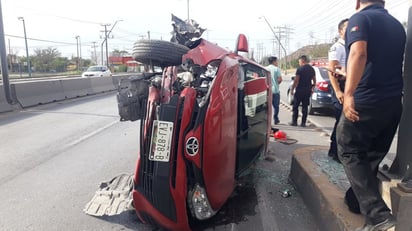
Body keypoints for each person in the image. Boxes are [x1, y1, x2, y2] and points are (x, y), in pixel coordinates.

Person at [337, 0, 406, 230]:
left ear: (358, 1)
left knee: (349, 149)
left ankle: (379, 216)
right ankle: (357, 204)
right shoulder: (397, 25)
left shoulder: (360, 18)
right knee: (371, 157)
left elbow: (359, 53)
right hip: (393, 104)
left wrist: (348, 94)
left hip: (365, 103)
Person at [327, 18, 348, 162]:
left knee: (345, 122)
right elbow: (331, 70)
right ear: (340, 31)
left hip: (349, 86)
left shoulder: (350, 46)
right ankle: (335, 152)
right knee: (341, 121)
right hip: (340, 87)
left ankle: (336, 151)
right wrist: (338, 91)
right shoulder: (338, 47)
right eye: (347, 27)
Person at [289, 55, 316, 127]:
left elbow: (296, 80)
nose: (299, 63)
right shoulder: (311, 69)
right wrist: (312, 87)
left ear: (302, 61)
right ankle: (303, 122)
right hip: (307, 90)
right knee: (305, 107)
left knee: (295, 106)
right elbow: (314, 80)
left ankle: (294, 121)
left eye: (299, 62)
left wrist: (292, 89)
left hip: (299, 90)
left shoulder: (300, 69)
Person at [267, 56, 283, 125]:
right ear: (273, 61)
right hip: (275, 91)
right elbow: (280, 79)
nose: (277, 63)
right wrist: (276, 83)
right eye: (276, 61)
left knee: (268, 107)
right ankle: (275, 119)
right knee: (276, 106)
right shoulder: (277, 69)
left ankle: (267, 120)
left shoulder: (265, 68)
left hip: (267, 91)